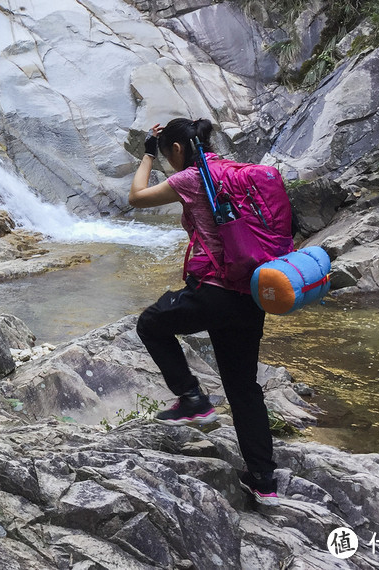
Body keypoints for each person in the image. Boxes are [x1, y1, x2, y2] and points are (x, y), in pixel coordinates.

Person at [128, 117, 282, 506]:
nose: (168, 162)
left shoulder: (190, 179)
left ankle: (192, 398)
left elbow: (137, 197)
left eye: (167, 155)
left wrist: (147, 153)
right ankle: (264, 481)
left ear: (177, 150)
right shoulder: (233, 173)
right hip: (251, 291)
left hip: (214, 291)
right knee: (244, 387)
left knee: (150, 324)